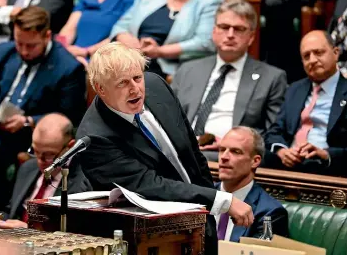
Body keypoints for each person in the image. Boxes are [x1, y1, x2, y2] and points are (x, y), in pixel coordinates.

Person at [76, 42, 254, 255]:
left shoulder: (156, 86)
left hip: (201, 219)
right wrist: (219, 200)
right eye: (122, 83)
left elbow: (193, 153)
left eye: (137, 77)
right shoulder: (95, 138)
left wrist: (207, 215)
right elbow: (151, 186)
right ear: (100, 88)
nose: (135, 88)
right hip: (154, 237)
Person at [0, 6, 87, 209]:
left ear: (47, 36)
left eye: (31, 46)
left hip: (30, 136)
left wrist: (29, 121)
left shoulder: (67, 67)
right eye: (19, 43)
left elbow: (70, 117)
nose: (23, 51)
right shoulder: (4, 52)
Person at [172, 0, 287, 162]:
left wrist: (231, 144)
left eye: (239, 29)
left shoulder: (272, 78)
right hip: (182, 150)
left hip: (229, 157)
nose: (230, 34)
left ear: (251, 37)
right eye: (224, 27)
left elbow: (272, 133)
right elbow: (168, 118)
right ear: (214, 31)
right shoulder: (188, 70)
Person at [264, 30, 347, 177]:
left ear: (336, 53)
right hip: (289, 162)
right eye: (306, 56)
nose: (312, 60)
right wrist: (282, 151)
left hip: (328, 166)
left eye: (318, 52)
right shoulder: (295, 89)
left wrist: (326, 154)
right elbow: (275, 131)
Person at [0, 113, 91, 229]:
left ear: (70, 147)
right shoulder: (27, 168)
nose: (40, 161)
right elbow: (11, 210)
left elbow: (76, 230)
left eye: (49, 154)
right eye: (36, 151)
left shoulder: (83, 183)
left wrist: (29, 230)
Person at [216, 127, 288, 242]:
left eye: (235, 151)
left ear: (255, 161)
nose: (224, 157)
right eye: (221, 149)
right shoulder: (202, 196)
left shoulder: (270, 213)